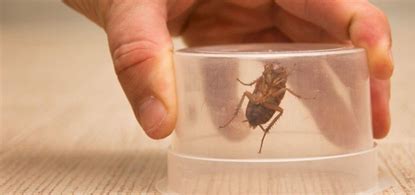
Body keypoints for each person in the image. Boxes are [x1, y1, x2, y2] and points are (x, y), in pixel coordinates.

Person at [64, 0, 393, 140]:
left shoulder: (278, 85)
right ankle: (255, 122)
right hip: (256, 105)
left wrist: (262, 107)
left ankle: (259, 129)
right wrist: (250, 86)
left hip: (260, 109)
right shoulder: (267, 80)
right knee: (260, 94)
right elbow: (263, 85)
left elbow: (279, 93)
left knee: (270, 98)